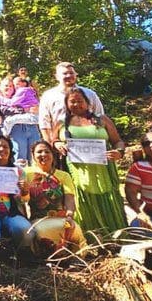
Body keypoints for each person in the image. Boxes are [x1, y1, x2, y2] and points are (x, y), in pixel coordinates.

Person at [53, 88, 127, 234]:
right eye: (72, 101)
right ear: (67, 104)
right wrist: (57, 144)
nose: (76, 104)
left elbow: (118, 141)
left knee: (109, 200)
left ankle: (116, 235)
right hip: (77, 171)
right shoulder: (62, 123)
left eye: (80, 101)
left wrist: (119, 152)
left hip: (103, 170)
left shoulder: (102, 119)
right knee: (81, 201)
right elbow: (53, 140)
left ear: (87, 103)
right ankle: (89, 237)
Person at [23, 140, 86, 256]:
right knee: (41, 232)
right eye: (39, 152)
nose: (43, 155)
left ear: (53, 155)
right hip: (39, 219)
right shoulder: (26, 174)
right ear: (33, 156)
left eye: (47, 152)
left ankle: (73, 257)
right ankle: (48, 258)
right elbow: (22, 199)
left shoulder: (64, 175)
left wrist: (70, 216)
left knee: (74, 228)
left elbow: (69, 198)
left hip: (62, 218)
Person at [39, 62, 104, 143]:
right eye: (65, 73)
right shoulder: (48, 96)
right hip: (60, 144)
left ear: (76, 74)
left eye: (71, 73)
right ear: (56, 77)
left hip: (89, 142)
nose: (69, 76)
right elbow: (44, 124)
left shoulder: (90, 94)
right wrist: (50, 145)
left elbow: (99, 116)